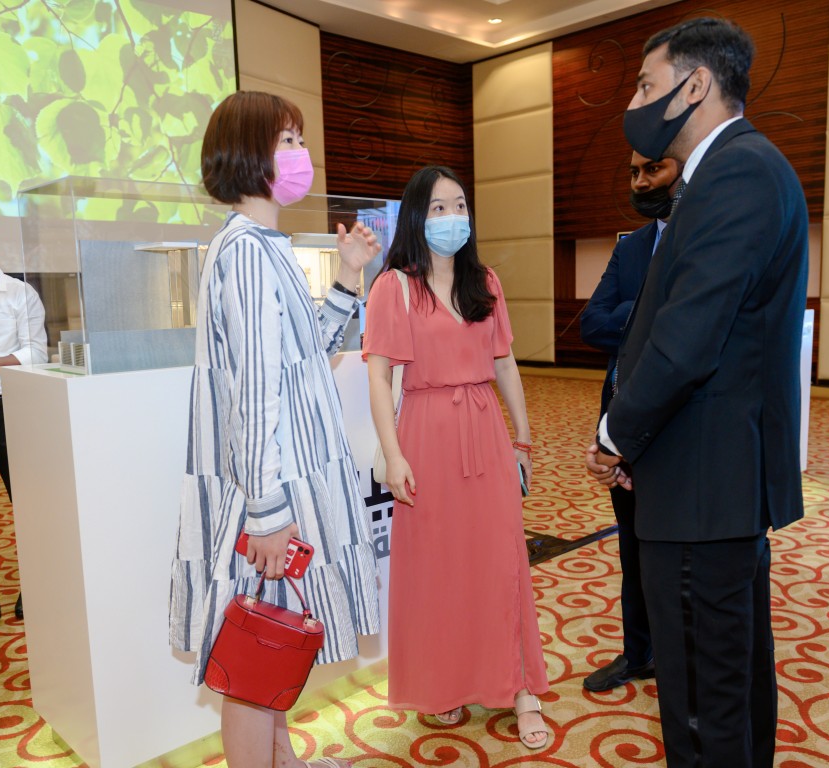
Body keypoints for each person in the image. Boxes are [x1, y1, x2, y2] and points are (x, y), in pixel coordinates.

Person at [586, 18, 808, 768]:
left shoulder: (736, 173)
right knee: (729, 684)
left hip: (702, 485)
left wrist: (616, 436)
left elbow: (686, 341)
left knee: (701, 703)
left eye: (646, 85)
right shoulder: (731, 171)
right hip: (709, 480)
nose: (636, 105)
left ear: (696, 85)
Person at [168, 91, 382, 768]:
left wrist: (346, 279)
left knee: (271, 637)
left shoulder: (260, 246)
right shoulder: (248, 252)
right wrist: (266, 512)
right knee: (256, 656)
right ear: (246, 153)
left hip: (279, 485)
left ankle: (282, 760)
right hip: (271, 492)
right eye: (286, 140)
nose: (300, 154)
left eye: (299, 139)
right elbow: (256, 393)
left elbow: (302, 356)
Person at [362, 165, 551, 749]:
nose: (452, 217)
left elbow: (504, 363)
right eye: (439, 208)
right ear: (416, 217)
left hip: (484, 431)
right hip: (425, 436)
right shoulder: (393, 287)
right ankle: (445, 683)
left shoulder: (484, 281)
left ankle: (521, 687)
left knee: (501, 558)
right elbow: (378, 377)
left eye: (460, 205)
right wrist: (393, 455)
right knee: (437, 568)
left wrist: (522, 438)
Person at [578, 152, 680, 692]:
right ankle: (639, 654)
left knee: (681, 558)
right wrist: (649, 309)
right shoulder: (633, 247)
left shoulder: (703, 239)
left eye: (653, 170)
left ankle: (680, 659)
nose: (641, 182)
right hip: (620, 427)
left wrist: (637, 315)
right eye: (633, 173)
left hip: (681, 430)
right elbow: (593, 323)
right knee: (634, 551)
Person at [0, 206, 48, 629]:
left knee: (29, 504)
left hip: (7, 409)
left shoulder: (18, 294)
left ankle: (38, 586)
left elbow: (37, 352)